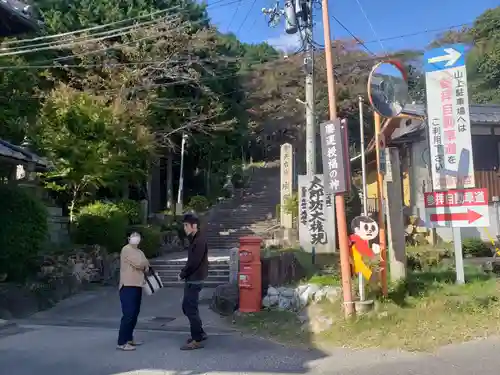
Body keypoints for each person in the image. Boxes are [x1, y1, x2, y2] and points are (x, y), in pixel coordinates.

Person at [178, 213, 209, 350]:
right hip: (193, 277)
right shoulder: (195, 239)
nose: (184, 228)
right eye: (184, 225)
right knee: (188, 307)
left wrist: (183, 274)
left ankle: (196, 339)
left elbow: (194, 262)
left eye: (186, 225)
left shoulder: (199, 241)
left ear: (194, 226)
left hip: (195, 278)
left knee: (190, 309)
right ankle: (200, 332)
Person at [117, 231, 149, 351]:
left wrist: (144, 264)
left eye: (138, 236)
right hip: (127, 285)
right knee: (128, 314)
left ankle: (129, 338)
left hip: (137, 285)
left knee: (134, 314)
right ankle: (122, 341)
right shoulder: (126, 249)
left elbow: (147, 265)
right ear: (129, 238)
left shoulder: (139, 251)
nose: (136, 238)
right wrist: (144, 264)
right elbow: (140, 264)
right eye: (133, 236)